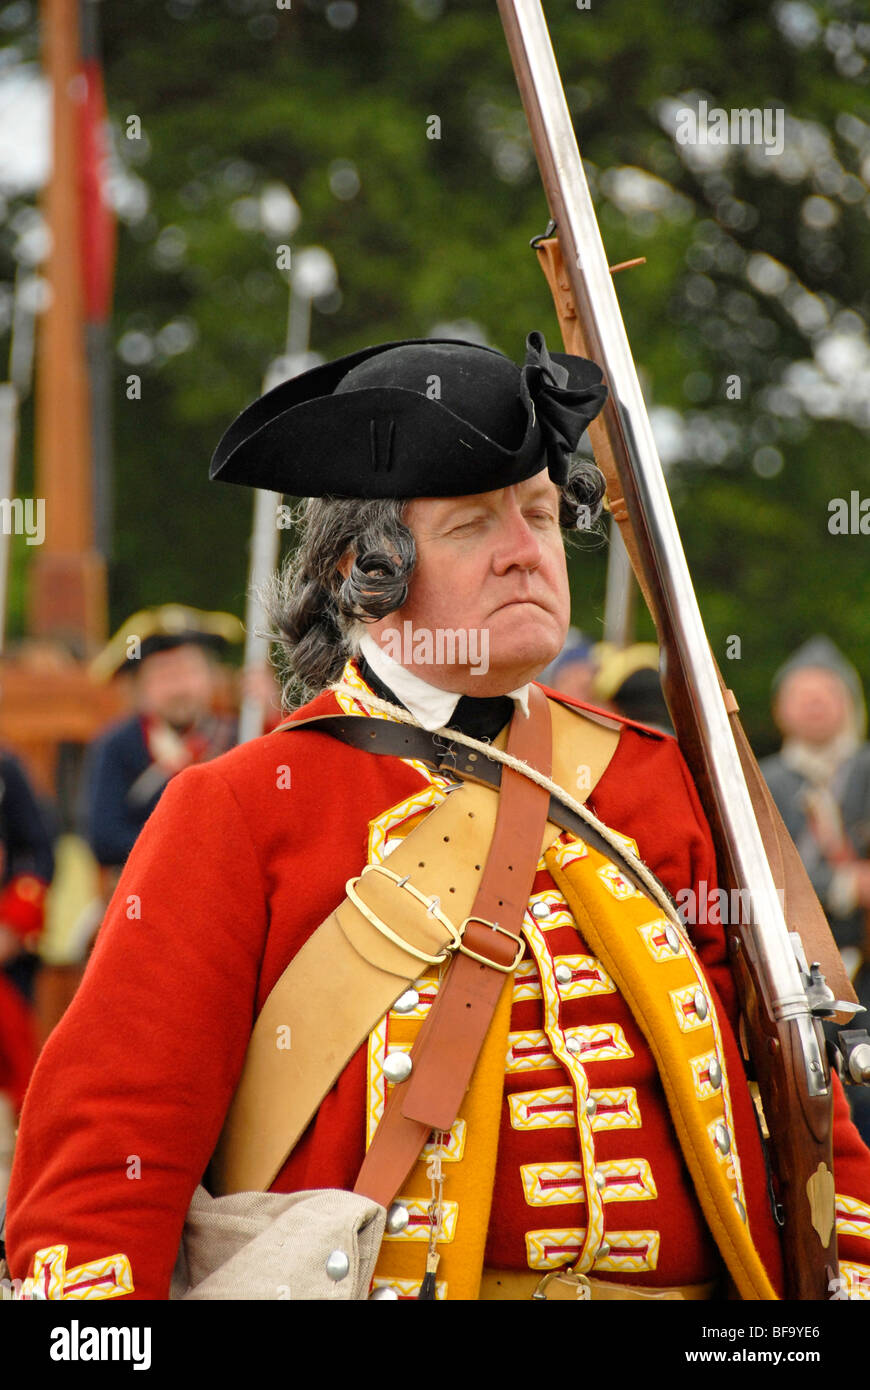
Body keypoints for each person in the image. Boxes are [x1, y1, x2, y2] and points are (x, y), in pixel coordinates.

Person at [4, 332, 870, 1302]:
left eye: (540, 515)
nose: (526, 554)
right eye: (471, 526)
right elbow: (106, 1165)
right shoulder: (241, 808)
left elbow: (808, 1108)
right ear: (359, 577)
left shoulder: (659, 779)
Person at [760, 636, 870, 1146]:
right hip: (803, 968)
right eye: (803, 695)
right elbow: (770, 871)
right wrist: (846, 884)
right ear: (782, 709)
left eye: (826, 694)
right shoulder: (765, 780)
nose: (815, 704)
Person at [83, 605, 243, 876]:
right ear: (141, 688)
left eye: (189, 672)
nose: (179, 688)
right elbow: (104, 839)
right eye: (165, 675)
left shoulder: (240, 736)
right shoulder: (116, 746)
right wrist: (188, 851)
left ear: (211, 678)